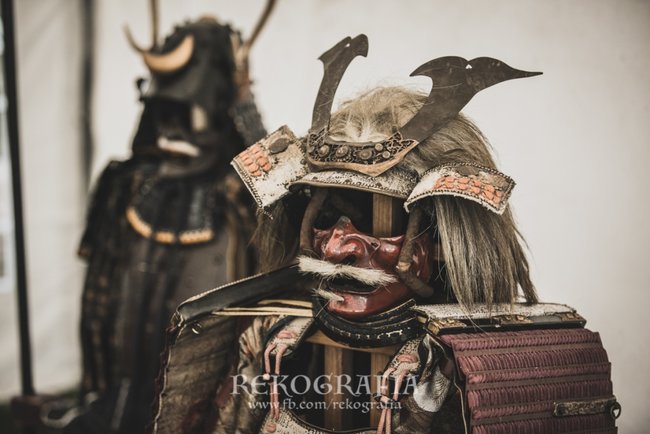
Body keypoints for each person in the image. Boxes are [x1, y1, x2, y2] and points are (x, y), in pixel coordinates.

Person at [151, 35, 619, 434]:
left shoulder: (480, 367)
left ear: (440, 238)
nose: (336, 249)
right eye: (326, 215)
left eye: (378, 221)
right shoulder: (271, 339)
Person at [62, 3, 276, 433]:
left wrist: (245, 106)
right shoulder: (124, 186)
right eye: (167, 113)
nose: (174, 130)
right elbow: (99, 303)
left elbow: (279, 193)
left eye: (190, 113)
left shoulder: (240, 196)